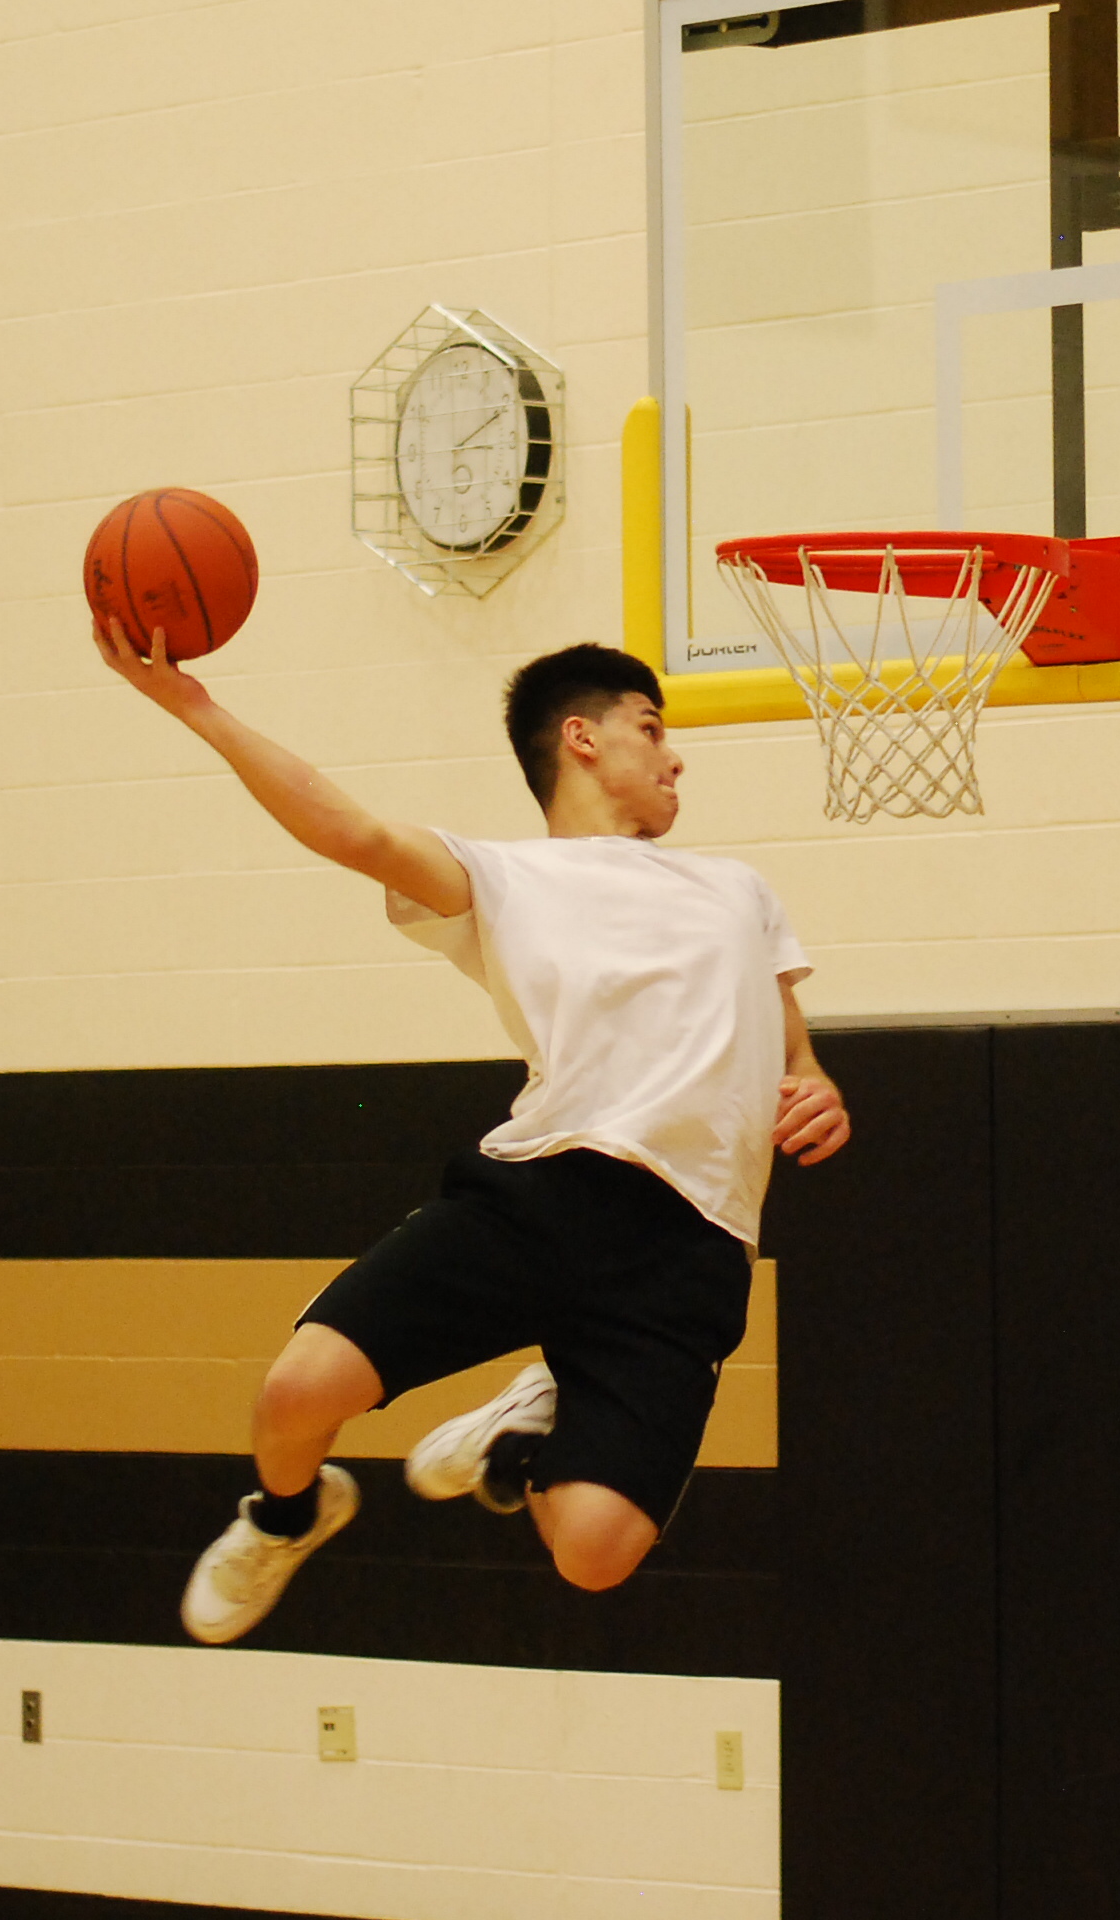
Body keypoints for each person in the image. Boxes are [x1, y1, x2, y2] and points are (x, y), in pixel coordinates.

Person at [90, 621, 849, 1645]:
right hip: (542, 1192)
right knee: (293, 1396)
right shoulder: (500, 879)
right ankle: (285, 1517)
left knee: (594, 1554)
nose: (675, 756)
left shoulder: (737, 890)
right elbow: (348, 831)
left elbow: (784, 1034)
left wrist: (811, 1080)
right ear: (580, 739)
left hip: (688, 1250)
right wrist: (195, 706)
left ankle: (528, 1430)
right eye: (651, 727)